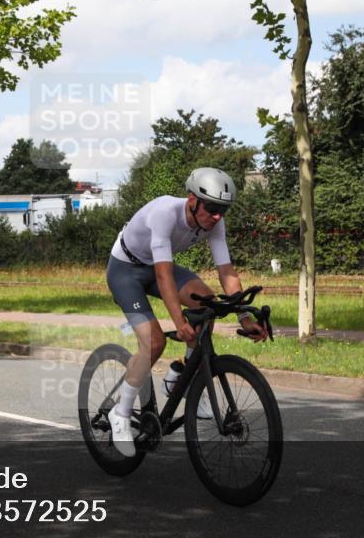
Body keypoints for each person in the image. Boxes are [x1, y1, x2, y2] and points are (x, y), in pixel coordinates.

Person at [105, 168, 267, 456]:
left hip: (157, 268)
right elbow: (165, 277)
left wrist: (245, 317)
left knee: (208, 304)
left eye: (223, 210)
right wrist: (179, 322)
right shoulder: (164, 213)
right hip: (126, 269)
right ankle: (121, 411)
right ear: (192, 199)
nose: (217, 216)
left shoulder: (215, 223)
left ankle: (180, 378)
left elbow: (226, 272)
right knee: (155, 341)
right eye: (212, 208)